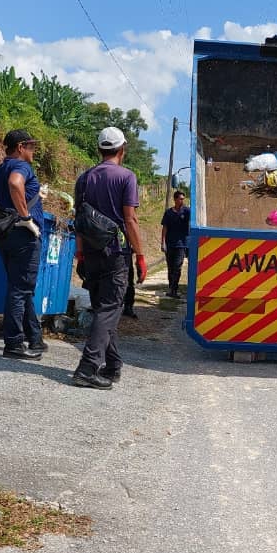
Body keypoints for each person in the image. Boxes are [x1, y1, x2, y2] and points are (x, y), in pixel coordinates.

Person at [72, 126, 146, 389]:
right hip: (116, 253)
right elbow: (130, 219)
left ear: (99, 149)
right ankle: (87, 368)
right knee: (109, 310)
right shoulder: (127, 177)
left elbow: (79, 220)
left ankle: (112, 366)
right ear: (122, 150)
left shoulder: (84, 179)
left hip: (91, 253)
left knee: (105, 311)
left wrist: (80, 253)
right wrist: (140, 255)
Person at [0, 129, 47, 360]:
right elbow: (15, 184)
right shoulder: (21, 166)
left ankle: (35, 337)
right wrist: (26, 218)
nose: (34, 151)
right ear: (20, 147)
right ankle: (13, 343)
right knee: (20, 289)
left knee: (21, 287)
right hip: (23, 235)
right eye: (31, 146)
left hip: (6, 234)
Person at [161, 189, 191, 297]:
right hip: (170, 244)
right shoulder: (168, 213)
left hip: (181, 245)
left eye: (183, 199)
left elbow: (193, 221)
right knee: (170, 268)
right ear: (175, 199)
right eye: (180, 199)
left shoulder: (187, 211)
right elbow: (165, 228)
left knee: (177, 267)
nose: (182, 201)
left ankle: (174, 289)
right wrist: (163, 243)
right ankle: (171, 288)